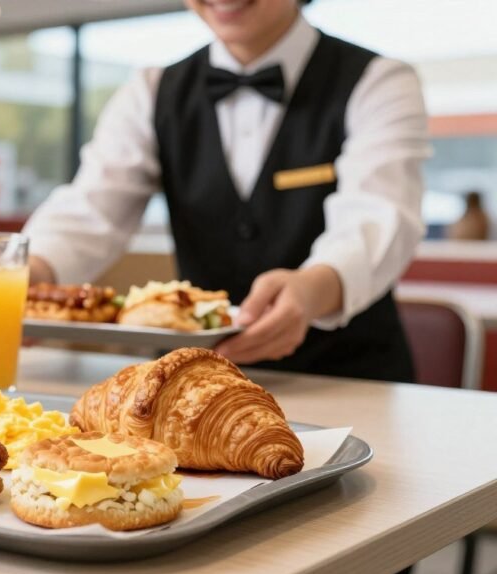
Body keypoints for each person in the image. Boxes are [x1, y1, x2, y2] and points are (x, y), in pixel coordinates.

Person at [23, 0, 430, 383]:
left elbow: (379, 214)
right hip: (192, 385)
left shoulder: (379, 80)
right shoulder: (151, 89)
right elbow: (91, 207)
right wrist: (27, 278)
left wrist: (312, 290)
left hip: (348, 380)